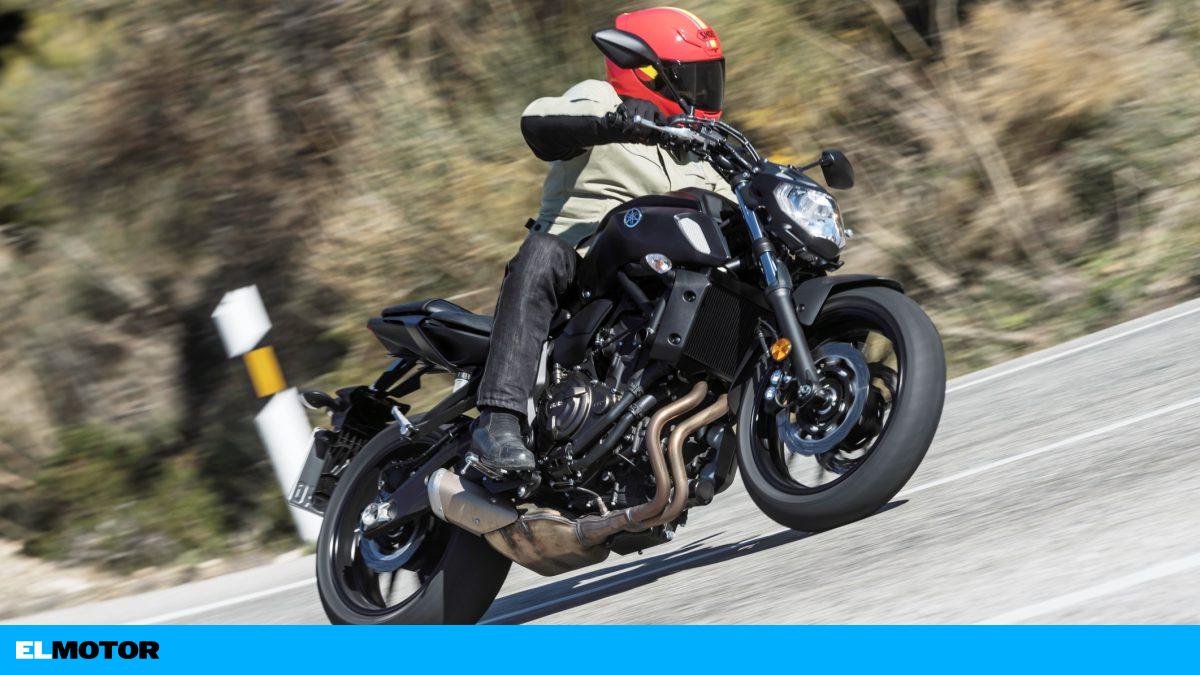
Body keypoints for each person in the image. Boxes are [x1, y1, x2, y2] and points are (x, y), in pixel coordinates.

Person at [471, 7, 735, 472]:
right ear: (647, 73)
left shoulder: (702, 153)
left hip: (655, 282)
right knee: (544, 254)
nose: (701, 92)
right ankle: (498, 421)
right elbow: (539, 123)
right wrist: (617, 121)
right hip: (585, 266)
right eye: (690, 78)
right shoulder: (602, 98)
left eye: (707, 77)